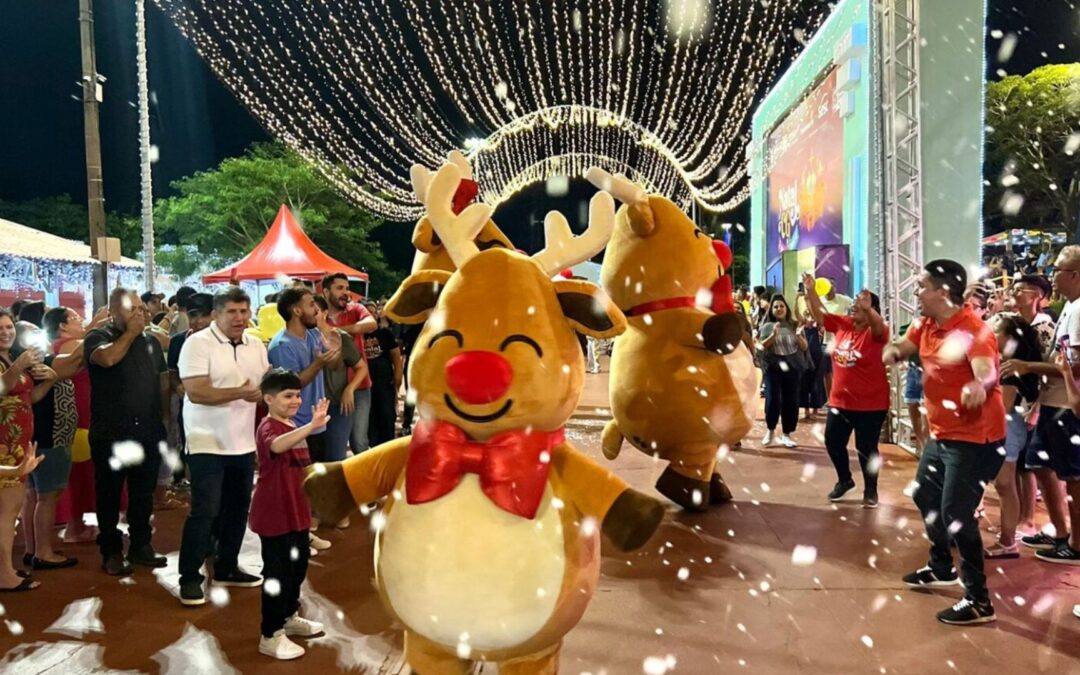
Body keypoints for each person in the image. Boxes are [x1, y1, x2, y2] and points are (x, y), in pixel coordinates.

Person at [883, 259, 1006, 625]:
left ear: (942, 292)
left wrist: (978, 385)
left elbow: (986, 371)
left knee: (956, 514)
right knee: (924, 494)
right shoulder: (925, 323)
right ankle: (941, 567)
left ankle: (979, 600)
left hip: (976, 438)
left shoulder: (973, 330)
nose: (915, 292)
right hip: (943, 434)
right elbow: (904, 346)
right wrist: (893, 350)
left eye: (921, 286)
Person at [177, 287, 269, 606]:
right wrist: (240, 393)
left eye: (244, 311)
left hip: (242, 441)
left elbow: (265, 385)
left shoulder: (255, 345)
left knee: (237, 509)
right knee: (205, 510)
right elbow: (197, 392)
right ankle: (189, 577)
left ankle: (227, 566)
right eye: (232, 311)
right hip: (206, 441)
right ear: (216, 314)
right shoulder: (197, 343)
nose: (239, 318)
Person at [1000, 245, 1080, 565]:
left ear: (1075, 275)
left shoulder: (1077, 311)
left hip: (1066, 405)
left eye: (1057, 270)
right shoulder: (1071, 308)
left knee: (1072, 475)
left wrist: (1028, 366)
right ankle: (1062, 532)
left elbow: (1074, 366)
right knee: (1038, 464)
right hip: (1051, 402)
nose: (1052, 275)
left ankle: (1075, 543)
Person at [83, 288, 170, 576]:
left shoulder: (151, 342)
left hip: (147, 428)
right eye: (131, 309)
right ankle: (110, 550)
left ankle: (141, 545)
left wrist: (165, 419)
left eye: (140, 309)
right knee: (109, 494)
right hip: (111, 432)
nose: (139, 315)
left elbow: (162, 381)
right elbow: (107, 359)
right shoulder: (98, 337)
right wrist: (131, 334)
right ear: (112, 311)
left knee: (143, 493)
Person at [252, 369, 326, 659]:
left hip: (296, 513)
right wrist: (311, 426)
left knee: (297, 568)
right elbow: (276, 445)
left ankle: (288, 617)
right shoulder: (268, 426)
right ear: (268, 399)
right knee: (277, 574)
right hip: (275, 515)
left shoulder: (291, 425)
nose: (295, 400)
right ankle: (270, 634)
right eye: (287, 396)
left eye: (297, 395)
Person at [802, 274, 890, 508]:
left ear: (872, 309)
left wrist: (868, 309)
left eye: (860, 305)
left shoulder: (878, 332)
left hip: (871, 403)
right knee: (833, 441)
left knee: (866, 448)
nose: (854, 306)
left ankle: (871, 490)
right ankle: (845, 479)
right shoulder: (844, 324)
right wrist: (810, 290)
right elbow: (820, 315)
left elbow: (878, 325)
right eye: (854, 303)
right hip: (840, 401)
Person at [22, 313, 85, 570]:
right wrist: (96, 329)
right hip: (50, 435)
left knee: (33, 495)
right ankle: (43, 552)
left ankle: (33, 548)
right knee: (47, 496)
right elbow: (75, 361)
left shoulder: (34, 365)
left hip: (42, 434)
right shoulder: (41, 365)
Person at [0, 308, 57, 591]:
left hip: (19, 443)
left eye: (9, 327)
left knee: (11, 510)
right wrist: (19, 365)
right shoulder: (11, 363)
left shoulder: (9, 359)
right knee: (6, 513)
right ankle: (4, 574)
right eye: (0, 329)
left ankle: (6, 569)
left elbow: (28, 398)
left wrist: (51, 378)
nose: (6, 332)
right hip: (4, 447)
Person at [985, 313, 1042, 559]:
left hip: (1006, 429)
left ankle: (1007, 541)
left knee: (1005, 485)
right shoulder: (1011, 365)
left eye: (996, 331)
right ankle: (1007, 537)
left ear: (1009, 338)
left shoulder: (1010, 370)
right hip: (1009, 428)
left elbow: (1003, 407)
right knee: (1006, 485)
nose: (990, 334)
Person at [52, 306, 106, 544]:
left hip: (83, 406)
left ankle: (79, 523)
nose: (81, 320)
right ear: (62, 326)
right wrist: (96, 325)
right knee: (80, 469)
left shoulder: (68, 343)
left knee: (83, 467)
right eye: (75, 318)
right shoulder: (70, 345)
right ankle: (75, 525)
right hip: (79, 409)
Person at [321, 274, 376, 453]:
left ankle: (366, 470)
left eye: (347, 288)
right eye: (340, 288)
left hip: (360, 385)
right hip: (331, 390)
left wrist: (339, 332)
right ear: (326, 292)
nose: (345, 292)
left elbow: (371, 324)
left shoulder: (355, 309)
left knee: (359, 441)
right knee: (334, 444)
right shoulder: (319, 316)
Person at [165, 292, 214, 490]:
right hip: (189, 408)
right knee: (192, 448)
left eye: (204, 315)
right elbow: (172, 373)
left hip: (220, 409)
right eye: (194, 315)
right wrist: (178, 386)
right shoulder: (178, 341)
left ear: (214, 315)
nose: (199, 321)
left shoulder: (225, 342)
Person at [311, 296, 365, 467]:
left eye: (315, 311)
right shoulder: (305, 338)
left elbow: (361, 367)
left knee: (335, 459)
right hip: (311, 407)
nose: (311, 315)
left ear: (324, 313)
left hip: (337, 405)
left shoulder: (341, 337)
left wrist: (350, 389)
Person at [758, 294, 807, 448]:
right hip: (773, 367)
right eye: (776, 307)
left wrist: (798, 336)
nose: (779, 309)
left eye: (781, 306)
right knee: (773, 399)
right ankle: (770, 430)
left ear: (786, 308)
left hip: (793, 367)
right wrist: (774, 335)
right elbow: (762, 346)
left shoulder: (794, 325)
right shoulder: (767, 326)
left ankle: (787, 434)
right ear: (771, 310)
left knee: (791, 401)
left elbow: (804, 346)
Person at [362, 301, 403, 448]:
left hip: (385, 384)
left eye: (374, 312)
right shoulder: (357, 335)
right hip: (365, 386)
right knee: (369, 420)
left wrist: (398, 374)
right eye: (368, 312)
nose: (372, 315)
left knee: (387, 417)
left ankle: (387, 448)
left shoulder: (385, 333)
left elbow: (396, 355)